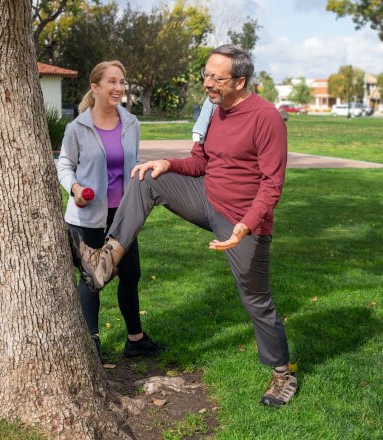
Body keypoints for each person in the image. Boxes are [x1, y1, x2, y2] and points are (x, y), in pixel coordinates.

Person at [74, 45, 297, 407]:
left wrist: (245, 226)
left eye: (217, 78)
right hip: (205, 198)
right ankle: (106, 261)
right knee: (147, 179)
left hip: (241, 219)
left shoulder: (265, 117)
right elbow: (200, 162)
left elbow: (272, 185)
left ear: (240, 81)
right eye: (206, 75)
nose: (208, 83)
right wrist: (166, 164)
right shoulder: (214, 110)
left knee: (255, 297)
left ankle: (282, 374)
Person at [57, 60, 163, 362]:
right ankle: (91, 344)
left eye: (122, 82)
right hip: (87, 214)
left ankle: (135, 340)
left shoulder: (131, 123)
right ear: (96, 87)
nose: (118, 88)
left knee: (130, 273)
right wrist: (76, 190)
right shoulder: (77, 128)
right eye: (112, 82)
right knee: (92, 278)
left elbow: (132, 161)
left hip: (123, 213)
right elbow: (65, 165)